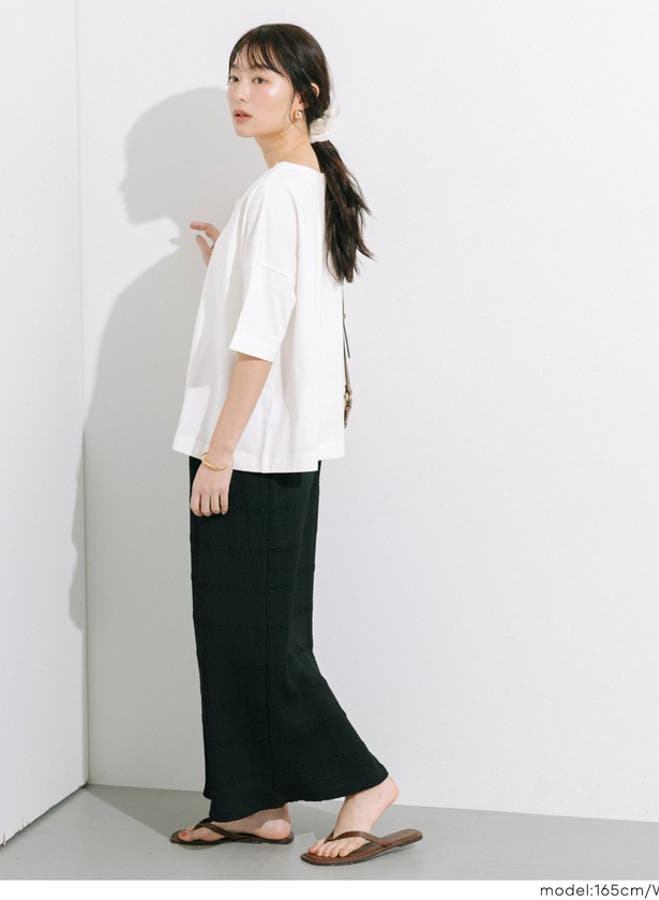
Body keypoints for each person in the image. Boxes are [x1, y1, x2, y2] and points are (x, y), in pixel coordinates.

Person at [167, 25, 422, 866]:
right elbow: (280, 310)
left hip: (253, 450)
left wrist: (219, 453)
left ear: (304, 95)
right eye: (234, 77)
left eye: (261, 79)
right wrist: (226, 264)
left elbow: (262, 337)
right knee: (237, 630)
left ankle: (366, 782)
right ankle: (252, 804)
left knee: (261, 639)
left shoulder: (283, 190)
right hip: (265, 444)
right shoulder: (298, 186)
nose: (240, 94)